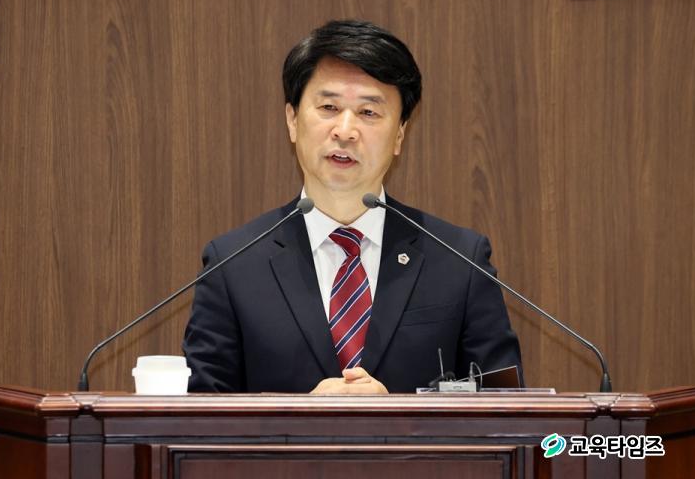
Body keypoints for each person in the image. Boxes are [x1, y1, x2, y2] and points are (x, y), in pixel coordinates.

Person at [183, 20, 522, 394]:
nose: (345, 131)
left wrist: (399, 413)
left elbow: (503, 394)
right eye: (329, 107)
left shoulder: (460, 260)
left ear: (400, 133)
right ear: (292, 120)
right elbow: (201, 413)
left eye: (368, 112)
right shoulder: (233, 265)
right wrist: (298, 417)